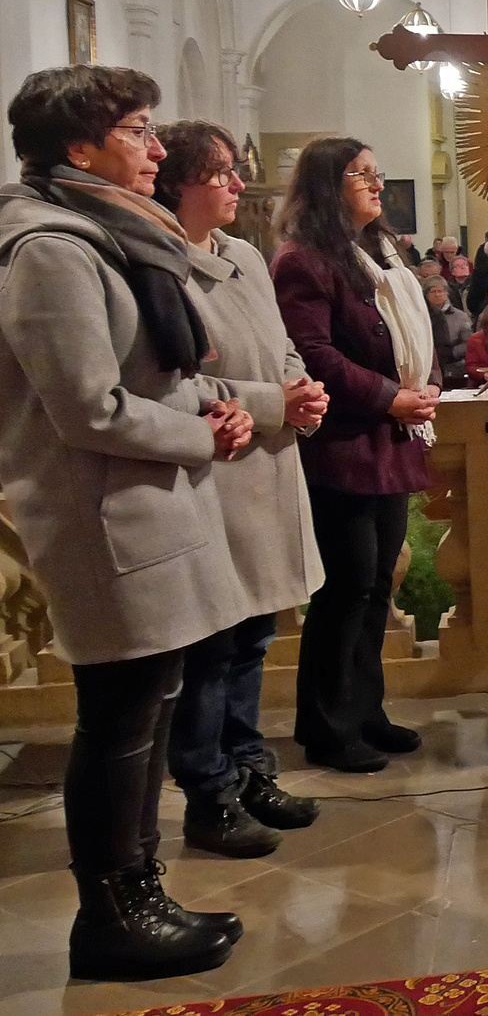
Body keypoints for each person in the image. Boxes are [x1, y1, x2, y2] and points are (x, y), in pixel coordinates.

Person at [0, 66, 255, 979]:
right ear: (80, 149)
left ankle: (141, 890)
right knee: (117, 718)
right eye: (140, 131)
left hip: (148, 505)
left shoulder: (110, 235)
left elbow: (151, 376)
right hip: (102, 514)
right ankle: (110, 913)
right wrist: (197, 430)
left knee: (149, 703)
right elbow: (88, 408)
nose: (157, 148)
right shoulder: (50, 249)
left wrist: (220, 408)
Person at [153, 122, 329, 861]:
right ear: (179, 185)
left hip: (268, 462)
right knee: (212, 645)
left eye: (233, 171)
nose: (234, 184)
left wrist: (302, 391)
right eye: (219, 173)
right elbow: (174, 379)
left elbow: (281, 341)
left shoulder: (246, 255)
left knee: (255, 633)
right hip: (213, 467)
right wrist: (271, 404)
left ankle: (252, 769)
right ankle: (208, 790)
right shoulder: (160, 265)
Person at [273, 138, 440, 775]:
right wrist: (389, 396)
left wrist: (417, 388)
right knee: (344, 587)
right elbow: (311, 354)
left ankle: (365, 711)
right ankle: (326, 725)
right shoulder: (303, 260)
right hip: (343, 442)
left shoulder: (377, 255)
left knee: (376, 587)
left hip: (387, 441)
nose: (376, 183)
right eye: (360, 173)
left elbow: (399, 336)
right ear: (326, 185)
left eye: (377, 171)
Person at [427, 277, 472, 387]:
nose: (437, 295)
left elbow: (468, 342)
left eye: (440, 291)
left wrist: (452, 353)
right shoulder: (420, 315)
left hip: (454, 365)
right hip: (427, 362)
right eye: (433, 291)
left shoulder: (460, 316)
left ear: (446, 293)